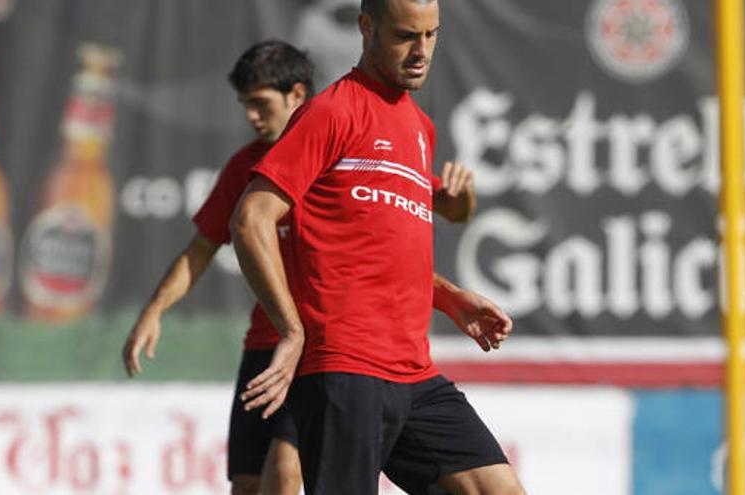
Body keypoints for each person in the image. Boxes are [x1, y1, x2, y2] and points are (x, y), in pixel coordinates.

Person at [123, 39, 480, 495]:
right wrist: (154, 311)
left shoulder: (340, 138)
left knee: (288, 469)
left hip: (322, 346)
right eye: (244, 105)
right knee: (251, 485)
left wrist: (462, 198)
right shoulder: (246, 166)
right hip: (267, 344)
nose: (251, 116)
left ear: (296, 95)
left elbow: (438, 218)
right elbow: (201, 249)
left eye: (259, 103)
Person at [230, 1, 527, 494]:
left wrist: (448, 295)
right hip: (344, 368)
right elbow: (251, 219)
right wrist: (290, 329)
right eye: (407, 35)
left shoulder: (420, 127)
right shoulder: (331, 111)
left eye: (432, 35)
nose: (422, 51)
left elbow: (375, 248)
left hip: (414, 372)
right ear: (366, 28)